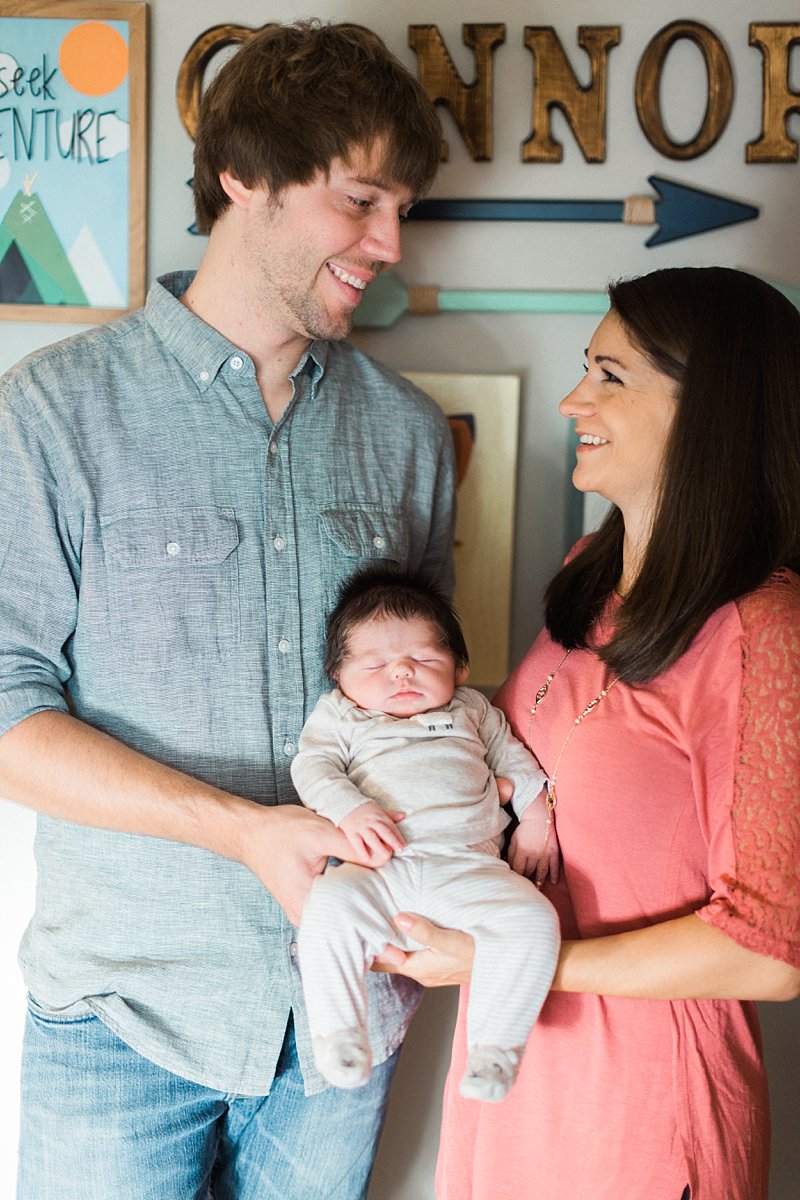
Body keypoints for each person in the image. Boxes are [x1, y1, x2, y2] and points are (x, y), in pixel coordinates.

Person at [0, 21, 456, 1200]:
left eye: (400, 208)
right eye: (361, 200)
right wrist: (241, 831)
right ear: (244, 176)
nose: (389, 244)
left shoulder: (408, 436)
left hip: (346, 1015)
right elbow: (4, 717)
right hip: (123, 1010)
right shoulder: (53, 415)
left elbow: (425, 709)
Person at [376, 267, 800, 1200]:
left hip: (644, 1101)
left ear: (712, 409)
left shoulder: (765, 635)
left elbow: (769, 952)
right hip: (521, 1068)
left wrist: (508, 959)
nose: (576, 399)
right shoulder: (588, 574)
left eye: (611, 375)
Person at [291, 567, 560, 1101]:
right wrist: (351, 809)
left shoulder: (473, 711)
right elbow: (313, 766)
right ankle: (339, 1033)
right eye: (375, 665)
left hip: (470, 870)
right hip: (377, 871)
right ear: (339, 677)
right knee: (325, 909)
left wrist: (535, 821)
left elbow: (518, 763)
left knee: (533, 920)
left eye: (425, 660)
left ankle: (496, 1051)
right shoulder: (341, 716)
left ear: (460, 668)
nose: (402, 673)